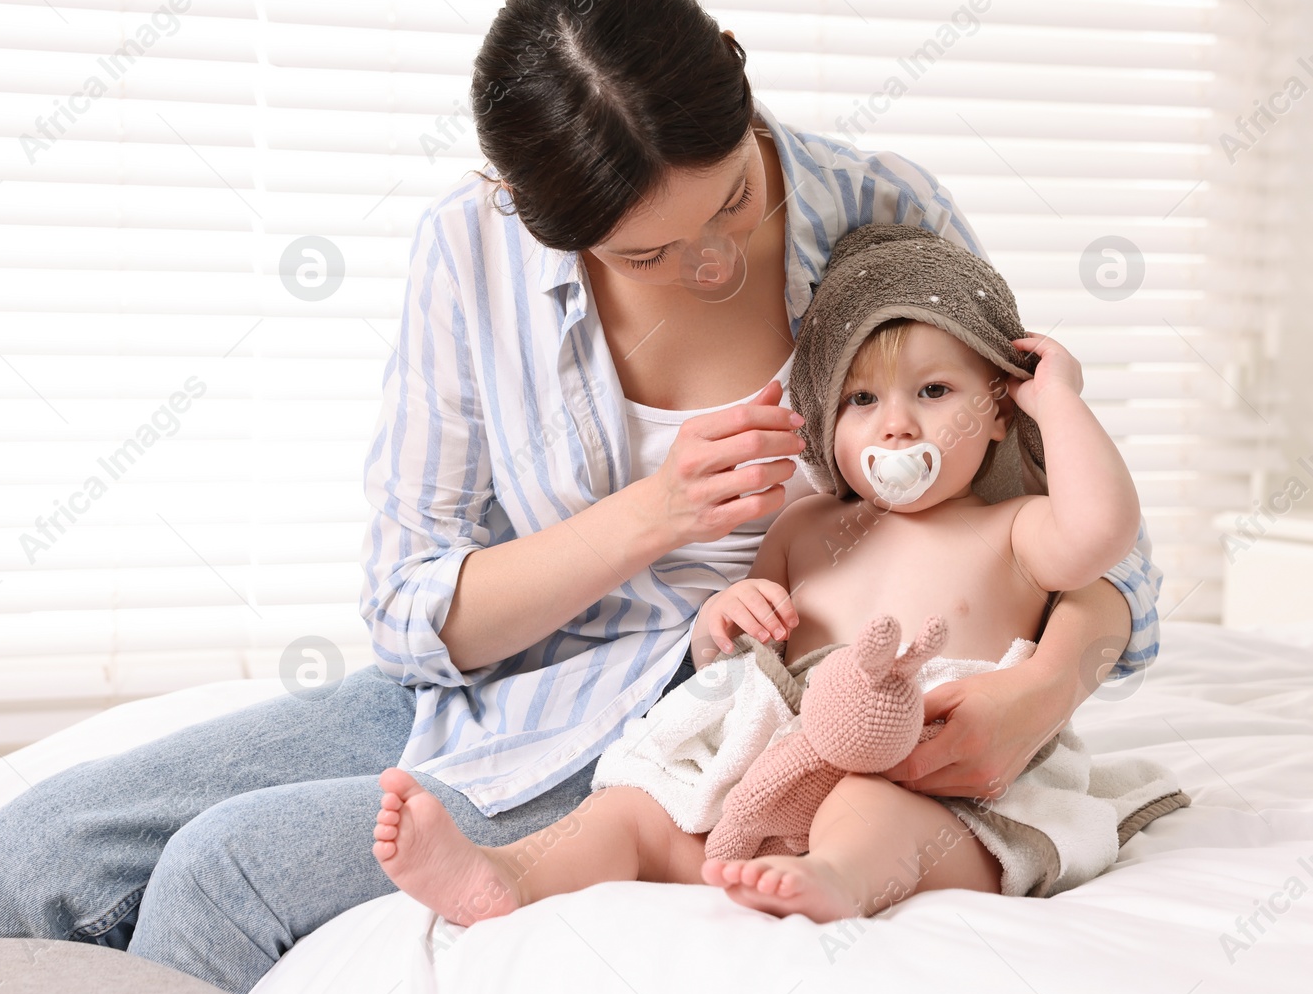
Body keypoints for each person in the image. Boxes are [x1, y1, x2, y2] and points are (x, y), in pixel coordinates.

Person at [0, 0, 1162, 994]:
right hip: (496, 678)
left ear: (739, 80)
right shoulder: (466, 254)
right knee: (16, 862)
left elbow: (1094, 537)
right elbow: (411, 603)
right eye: (647, 249)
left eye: (732, 201)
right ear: (531, 213)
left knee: (226, 868)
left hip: (715, 712)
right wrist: (653, 517)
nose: (710, 265)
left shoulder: (881, 210)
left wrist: (1045, 685)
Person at [369, 224, 1189, 924]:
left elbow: (1103, 529)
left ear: (1000, 407)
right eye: (862, 400)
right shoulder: (806, 527)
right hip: (774, 759)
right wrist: (728, 612)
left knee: (868, 812)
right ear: (827, 424)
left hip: (926, 774)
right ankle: (510, 874)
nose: (897, 425)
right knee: (637, 810)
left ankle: (836, 876)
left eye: (933, 390)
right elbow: (731, 657)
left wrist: (1062, 403)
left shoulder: (1014, 530)